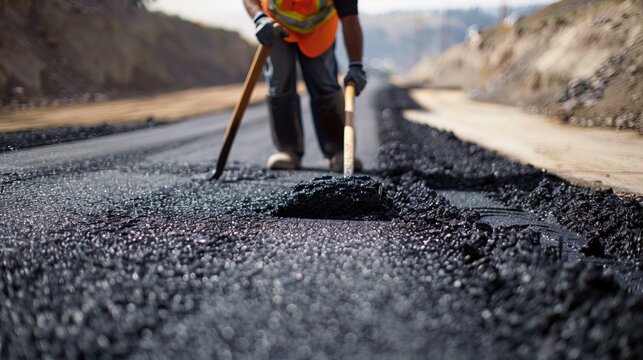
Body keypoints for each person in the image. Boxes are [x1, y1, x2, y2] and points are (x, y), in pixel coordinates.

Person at [242, 0, 367, 171]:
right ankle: (288, 150)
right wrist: (259, 18)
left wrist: (356, 65)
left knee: (324, 81)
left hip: (318, 27)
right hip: (275, 22)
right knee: (279, 80)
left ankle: (339, 151)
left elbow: (350, 17)